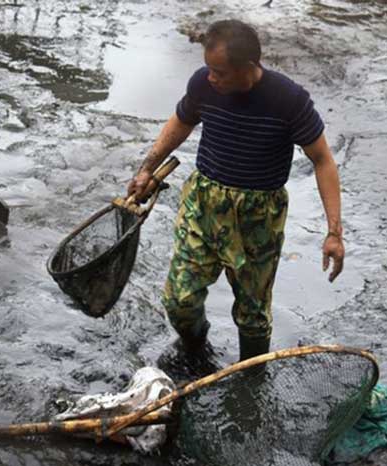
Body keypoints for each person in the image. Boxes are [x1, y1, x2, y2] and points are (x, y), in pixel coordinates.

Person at [127, 19, 345, 361]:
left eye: (220, 72)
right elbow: (181, 121)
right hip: (203, 204)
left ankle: (249, 378)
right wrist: (146, 168)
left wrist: (334, 232)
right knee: (179, 300)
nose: (212, 78)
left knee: (253, 316)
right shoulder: (203, 84)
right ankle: (196, 350)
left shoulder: (288, 99)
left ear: (249, 67)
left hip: (258, 218)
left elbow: (322, 160)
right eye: (208, 69)